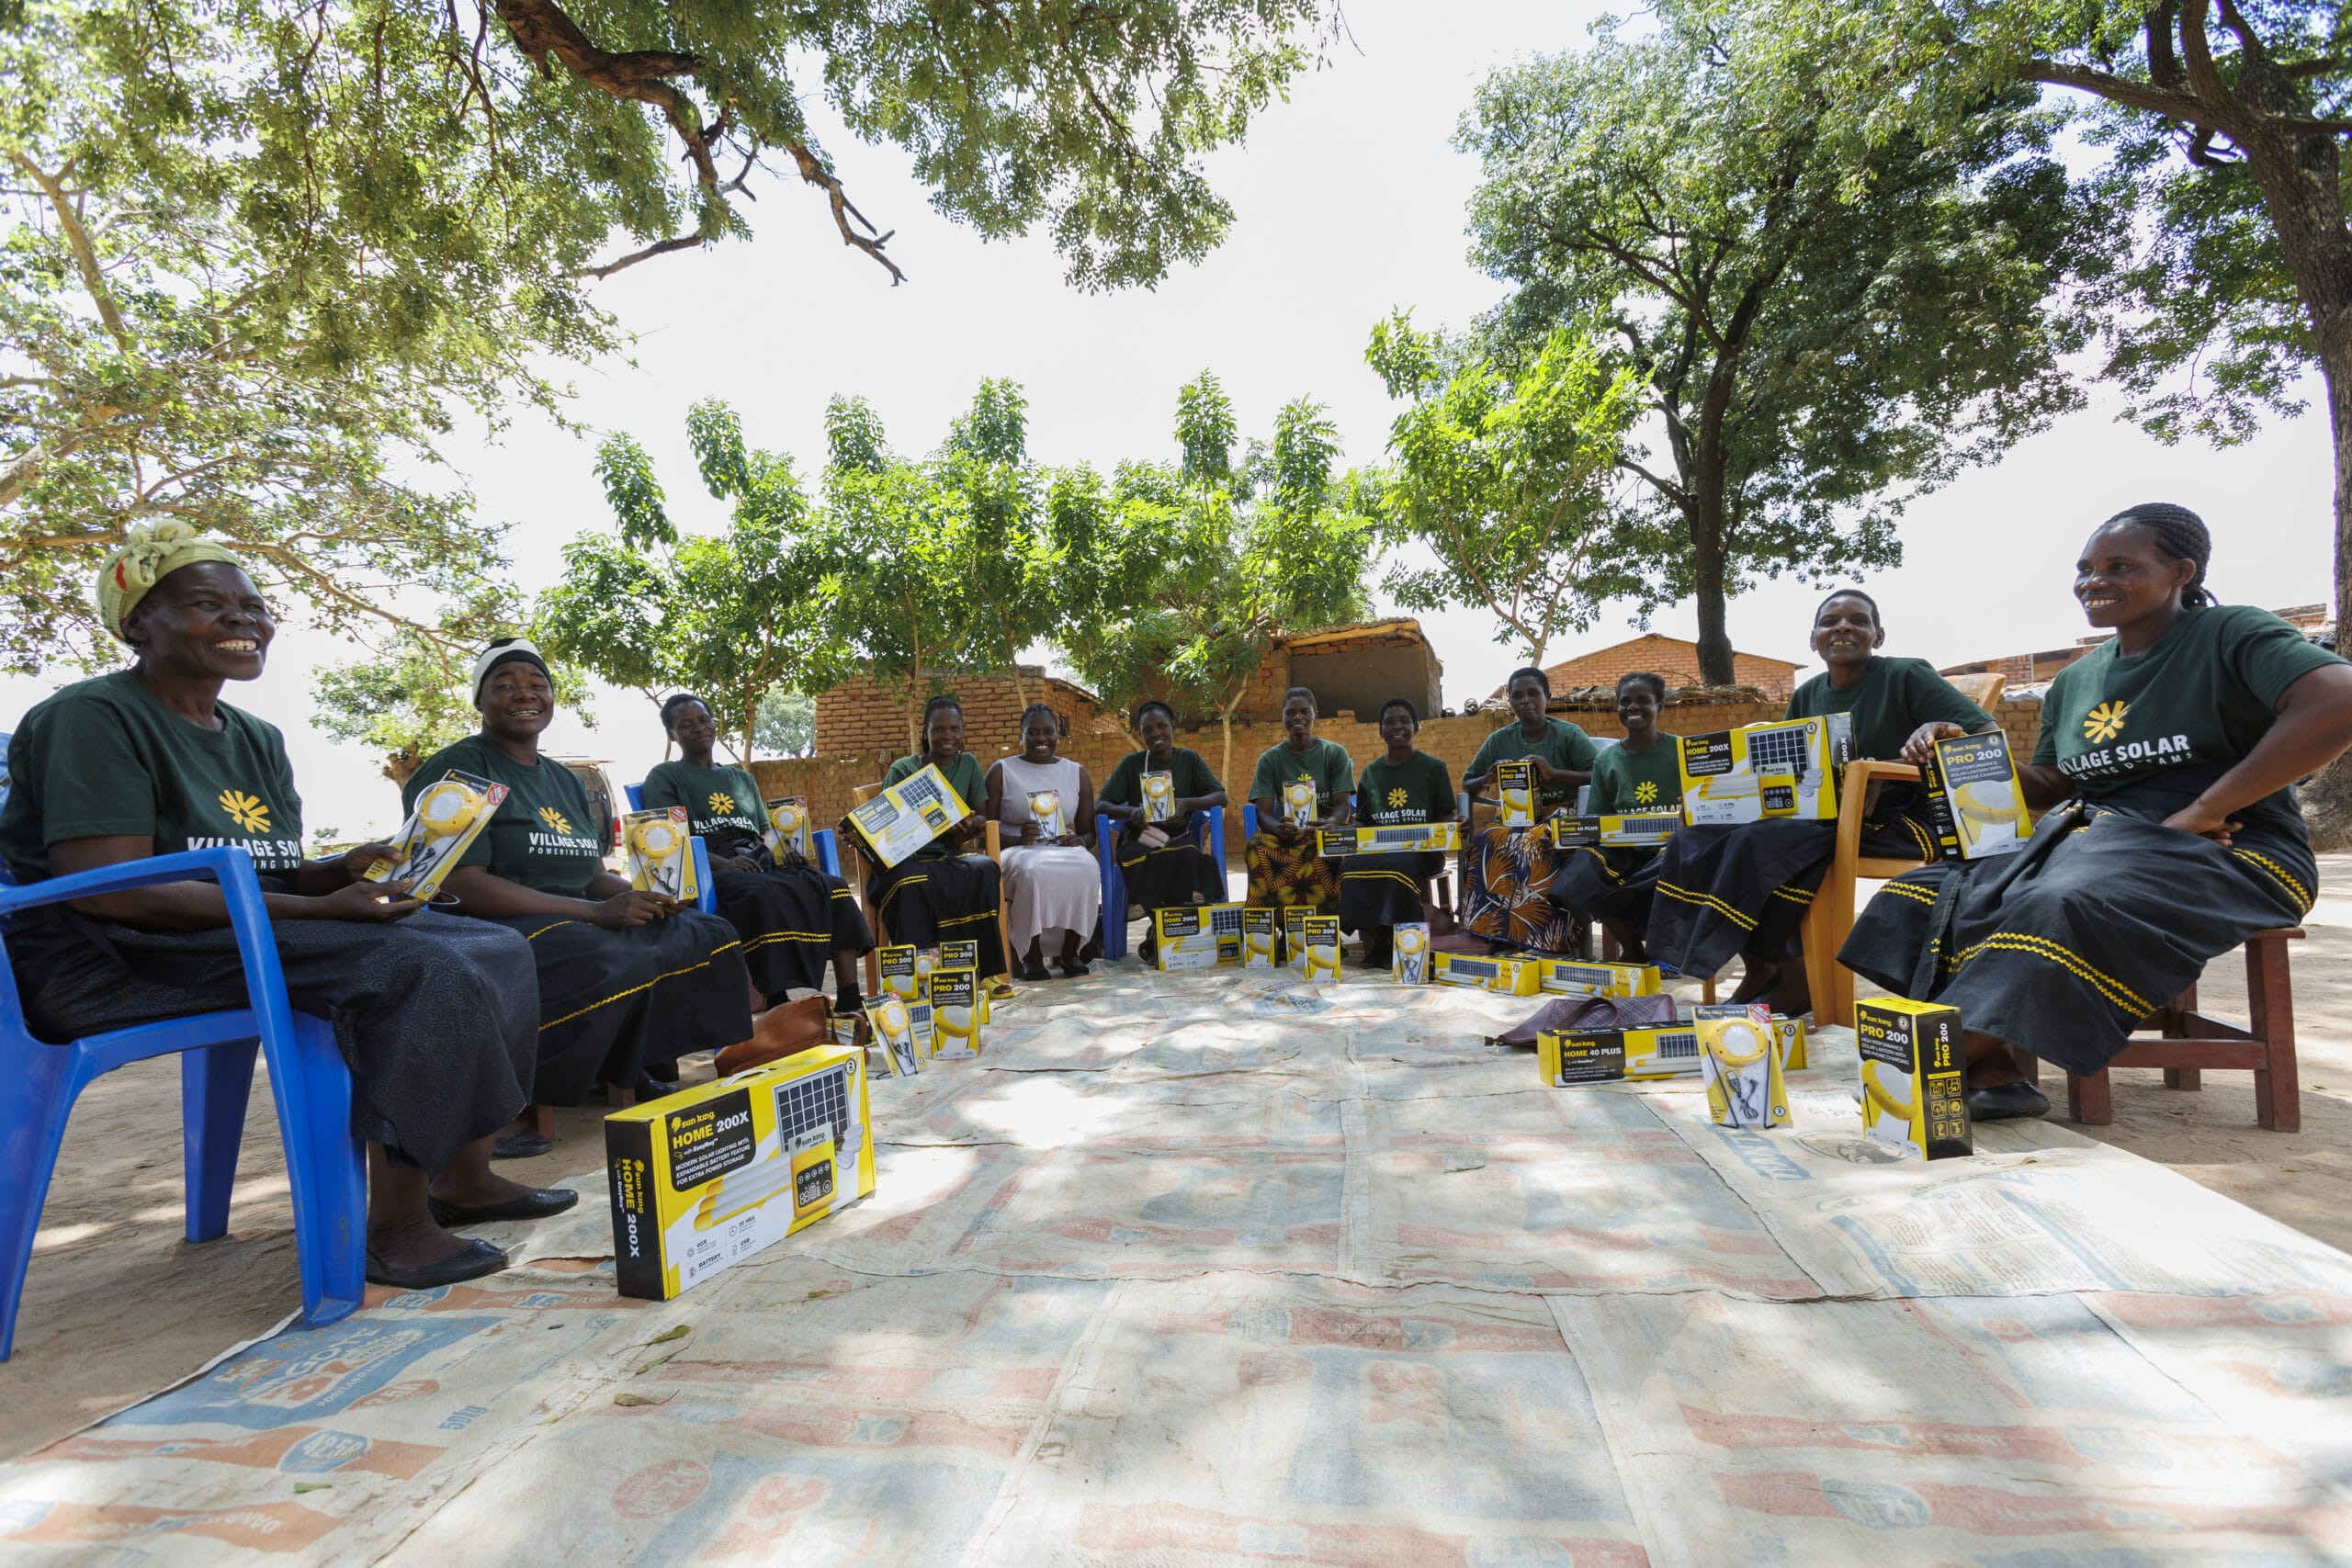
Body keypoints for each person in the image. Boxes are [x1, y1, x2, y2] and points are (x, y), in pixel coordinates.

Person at [0, 525, 571, 1290]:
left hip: (226, 930)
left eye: (255, 607)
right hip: (110, 951)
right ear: (138, 621)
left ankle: (463, 1176)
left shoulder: (256, 736)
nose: (244, 621)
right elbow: (115, 887)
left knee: (494, 944)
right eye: (209, 603)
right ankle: (394, 1226)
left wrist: (335, 871)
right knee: (417, 964)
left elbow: (262, 871)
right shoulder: (93, 717)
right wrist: (327, 911)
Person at [1842, 504, 2352, 1120]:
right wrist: (1964, 750)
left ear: (2181, 572)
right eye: (2084, 568)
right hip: (2092, 840)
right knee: (1921, 893)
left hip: (2233, 844)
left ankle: (1919, 1071)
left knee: (2061, 898)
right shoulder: (2076, 680)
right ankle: (1995, 1070)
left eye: (2119, 566)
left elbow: (2336, 701)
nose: (2093, 581)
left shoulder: (2229, 632)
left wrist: (2200, 810)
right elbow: (2056, 783)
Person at [408, 639, 753, 1140]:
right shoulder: (459, 768)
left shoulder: (565, 782)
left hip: (569, 911)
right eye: (504, 686)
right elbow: (458, 883)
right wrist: (594, 913)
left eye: (537, 685)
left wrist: (645, 895)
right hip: (491, 923)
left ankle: (627, 1066)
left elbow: (591, 873)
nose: (524, 695)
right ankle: (524, 1101)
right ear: (479, 700)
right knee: (603, 955)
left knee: (705, 931)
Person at [1647, 591, 1997, 1013]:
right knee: (1692, 838)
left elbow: (1986, 735)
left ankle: (1792, 978)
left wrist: (1886, 767)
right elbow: (1791, 772)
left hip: (1906, 819)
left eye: (1858, 620)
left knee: (1759, 844)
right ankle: (1761, 965)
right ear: (1813, 639)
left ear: (1878, 635)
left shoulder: (1907, 675)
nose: (1843, 627)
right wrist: (1711, 802)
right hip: (1826, 817)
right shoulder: (1809, 694)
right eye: (1830, 621)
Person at [639, 694, 874, 1019]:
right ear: (673, 735)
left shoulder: (741, 779)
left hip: (755, 857)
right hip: (708, 864)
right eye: (686, 725)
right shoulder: (666, 776)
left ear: (714, 723)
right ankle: (779, 1003)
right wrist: (723, 863)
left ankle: (850, 999)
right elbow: (668, 843)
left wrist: (784, 852)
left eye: (703, 720)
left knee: (831, 886)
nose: (698, 729)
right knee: (763, 894)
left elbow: (765, 831)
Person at [860, 695, 1008, 982]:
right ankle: (917, 977)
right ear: (925, 732)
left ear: (963, 732)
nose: (947, 736)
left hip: (945, 853)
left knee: (984, 868)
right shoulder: (903, 769)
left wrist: (970, 824)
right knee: (911, 883)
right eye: (939, 729)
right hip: (905, 858)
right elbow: (887, 822)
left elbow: (983, 815)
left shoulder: (968, 764)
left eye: (954, 728)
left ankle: (982, 972)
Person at [1459, 667, 1598, 953]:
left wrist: (1554, 773)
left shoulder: (1568, 734)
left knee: (1537, 842)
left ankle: (1544, 939)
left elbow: (1598, 774)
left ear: (1547, 696)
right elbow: (1468, 782)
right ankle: (1492, 933)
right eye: (1518, 696)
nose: (1525, 701)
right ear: (1510, 702)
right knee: (1488, 840)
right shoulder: (1499, 739)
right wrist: (1488, 777)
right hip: (1514, 815)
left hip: (1563, 811)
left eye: (1533, 693)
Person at [1552, 671, 1681, 960]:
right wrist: (1566, 835)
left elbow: (1703, 808)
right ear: (1617, 708)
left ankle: (1665, 951)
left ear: (1660, 706)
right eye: (1625, 702)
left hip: (1668, 846)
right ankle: (1632, 949)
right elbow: (1597, 819)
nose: (1633, 708)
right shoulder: (1606, 759)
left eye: (1643, 701)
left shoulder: (1681, 752)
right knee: (1584, 868)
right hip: (1622, 848)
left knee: (1676, 861)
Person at [1093, 701, 1229, 964]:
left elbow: (1220, 797)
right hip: (1140, 839)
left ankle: (1162, 934)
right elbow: (1101, 805)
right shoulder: (1132, 764)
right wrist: (1130, 811)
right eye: (1148, 730)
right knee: (1150, 858)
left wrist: (1187, 803)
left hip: (1178, 838)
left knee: (1188, 854)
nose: (1156, 734)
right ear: (1140, 734)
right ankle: (1163, 933)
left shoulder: (1189, 759)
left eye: (1161, 726)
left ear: (1173, 727)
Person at [984, 705, 1102, 980]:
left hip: (1063, 848)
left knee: (1087, 866)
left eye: (1048, 732)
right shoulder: (1002, 771)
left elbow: (1089, 834)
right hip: (1017, 850)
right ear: (1021, 736)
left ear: (1058, 734)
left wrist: (1079, 840)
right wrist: (1017, 837)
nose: (1041, 739)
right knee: (1034, 871)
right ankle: (1031, 955)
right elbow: (984, 836)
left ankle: (1071, 951)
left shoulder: (1076, 772)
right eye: (1032, 732)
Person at [1340, 698, 1458, 968]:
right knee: (1349, 867)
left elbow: (1444, 814)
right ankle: (1376, 942)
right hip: (1381, 849)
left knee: (1398, 865)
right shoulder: (1371, 773)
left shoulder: (1433, 768)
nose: (1397, 727)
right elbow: (1365, 821)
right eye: (1389, 722)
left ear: (1416, 727)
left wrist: (1455, 821)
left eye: (1404, 721)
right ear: (1380, 730)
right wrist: (1345, 829)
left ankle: (1402, 942)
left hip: (1423, 851)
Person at [1244, 687, 1354, 914]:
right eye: (1290, 712)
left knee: (1343, 847)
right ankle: (1272, 924)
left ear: (1315, 715)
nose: (1297, 717)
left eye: (1304, 711)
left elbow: (1343, 805)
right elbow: (1262, 812)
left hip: (1324, 834)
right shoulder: (1270, 759)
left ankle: (1329, 926)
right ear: (1282, 717)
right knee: (1256, 846)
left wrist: (1330, 823)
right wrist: (1277, 827)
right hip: (1288, 837)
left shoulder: (1334, 753)